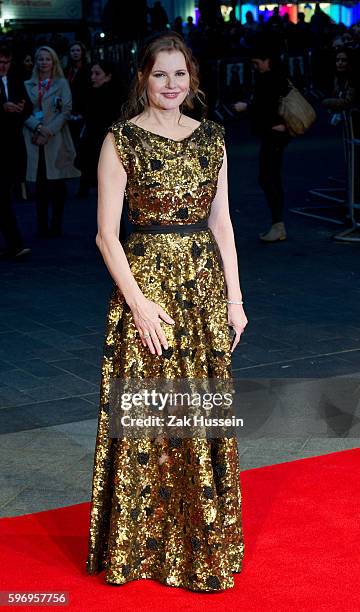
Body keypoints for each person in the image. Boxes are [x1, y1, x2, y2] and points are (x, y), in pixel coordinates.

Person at [86, 31, 247, 592]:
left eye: (180, 74)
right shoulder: (121, 140)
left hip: (202, 289)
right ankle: (142, 545)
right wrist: (139, 304)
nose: (171, 85)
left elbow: (223, 225)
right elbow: (107, 235)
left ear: (192, 79)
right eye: (161, 75)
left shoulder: (213, 139)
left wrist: (236, 299)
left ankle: (202, 539)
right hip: (146, 287)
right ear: (143, 79)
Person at [233, 42, 290, 242]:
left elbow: (264, 108)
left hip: (273, 134)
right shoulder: (279, 77)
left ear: (267, 61)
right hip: (276, 134)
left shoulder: (269, 80)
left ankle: (278, 224)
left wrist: (246, 107)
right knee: (270, 177)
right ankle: (277, 224)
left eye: (257, 63)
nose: (255, 67)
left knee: (268, 178)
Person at [23, 46, 80, 238]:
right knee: (40, 185)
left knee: (57, 184)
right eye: (40, 59)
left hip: (55, 139)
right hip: (34, 138)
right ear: (35, 62)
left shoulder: (62, 83)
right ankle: (41, 226)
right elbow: (24, 112)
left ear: (53, 62)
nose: (44, 63)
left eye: (47, 59)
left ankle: (56, 224)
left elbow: (66, 110)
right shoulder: (27, 85)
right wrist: (38, 128)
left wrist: (48, 131)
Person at [76, 59, 125, 197]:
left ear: (108, 76)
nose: (93, 77)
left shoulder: (116, 96)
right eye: (92, 73)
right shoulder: (92, 93)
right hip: (95, 143)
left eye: (97, 74)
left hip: (109, 145)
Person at [0, 45, 31, 259]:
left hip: (10, 149)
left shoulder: (14, 81)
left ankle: (15, 244)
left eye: (7, 62)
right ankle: (15, 243)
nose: (4, 66)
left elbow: (27, 106)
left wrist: (20, 109)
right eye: (0, 62)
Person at [64, 41, 90, 149]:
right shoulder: (66, 70)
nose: (75, 53)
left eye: (78, 50)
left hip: (83, 109)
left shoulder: (88, 69)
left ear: (82, 53)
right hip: (68, 108)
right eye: (72, 50)